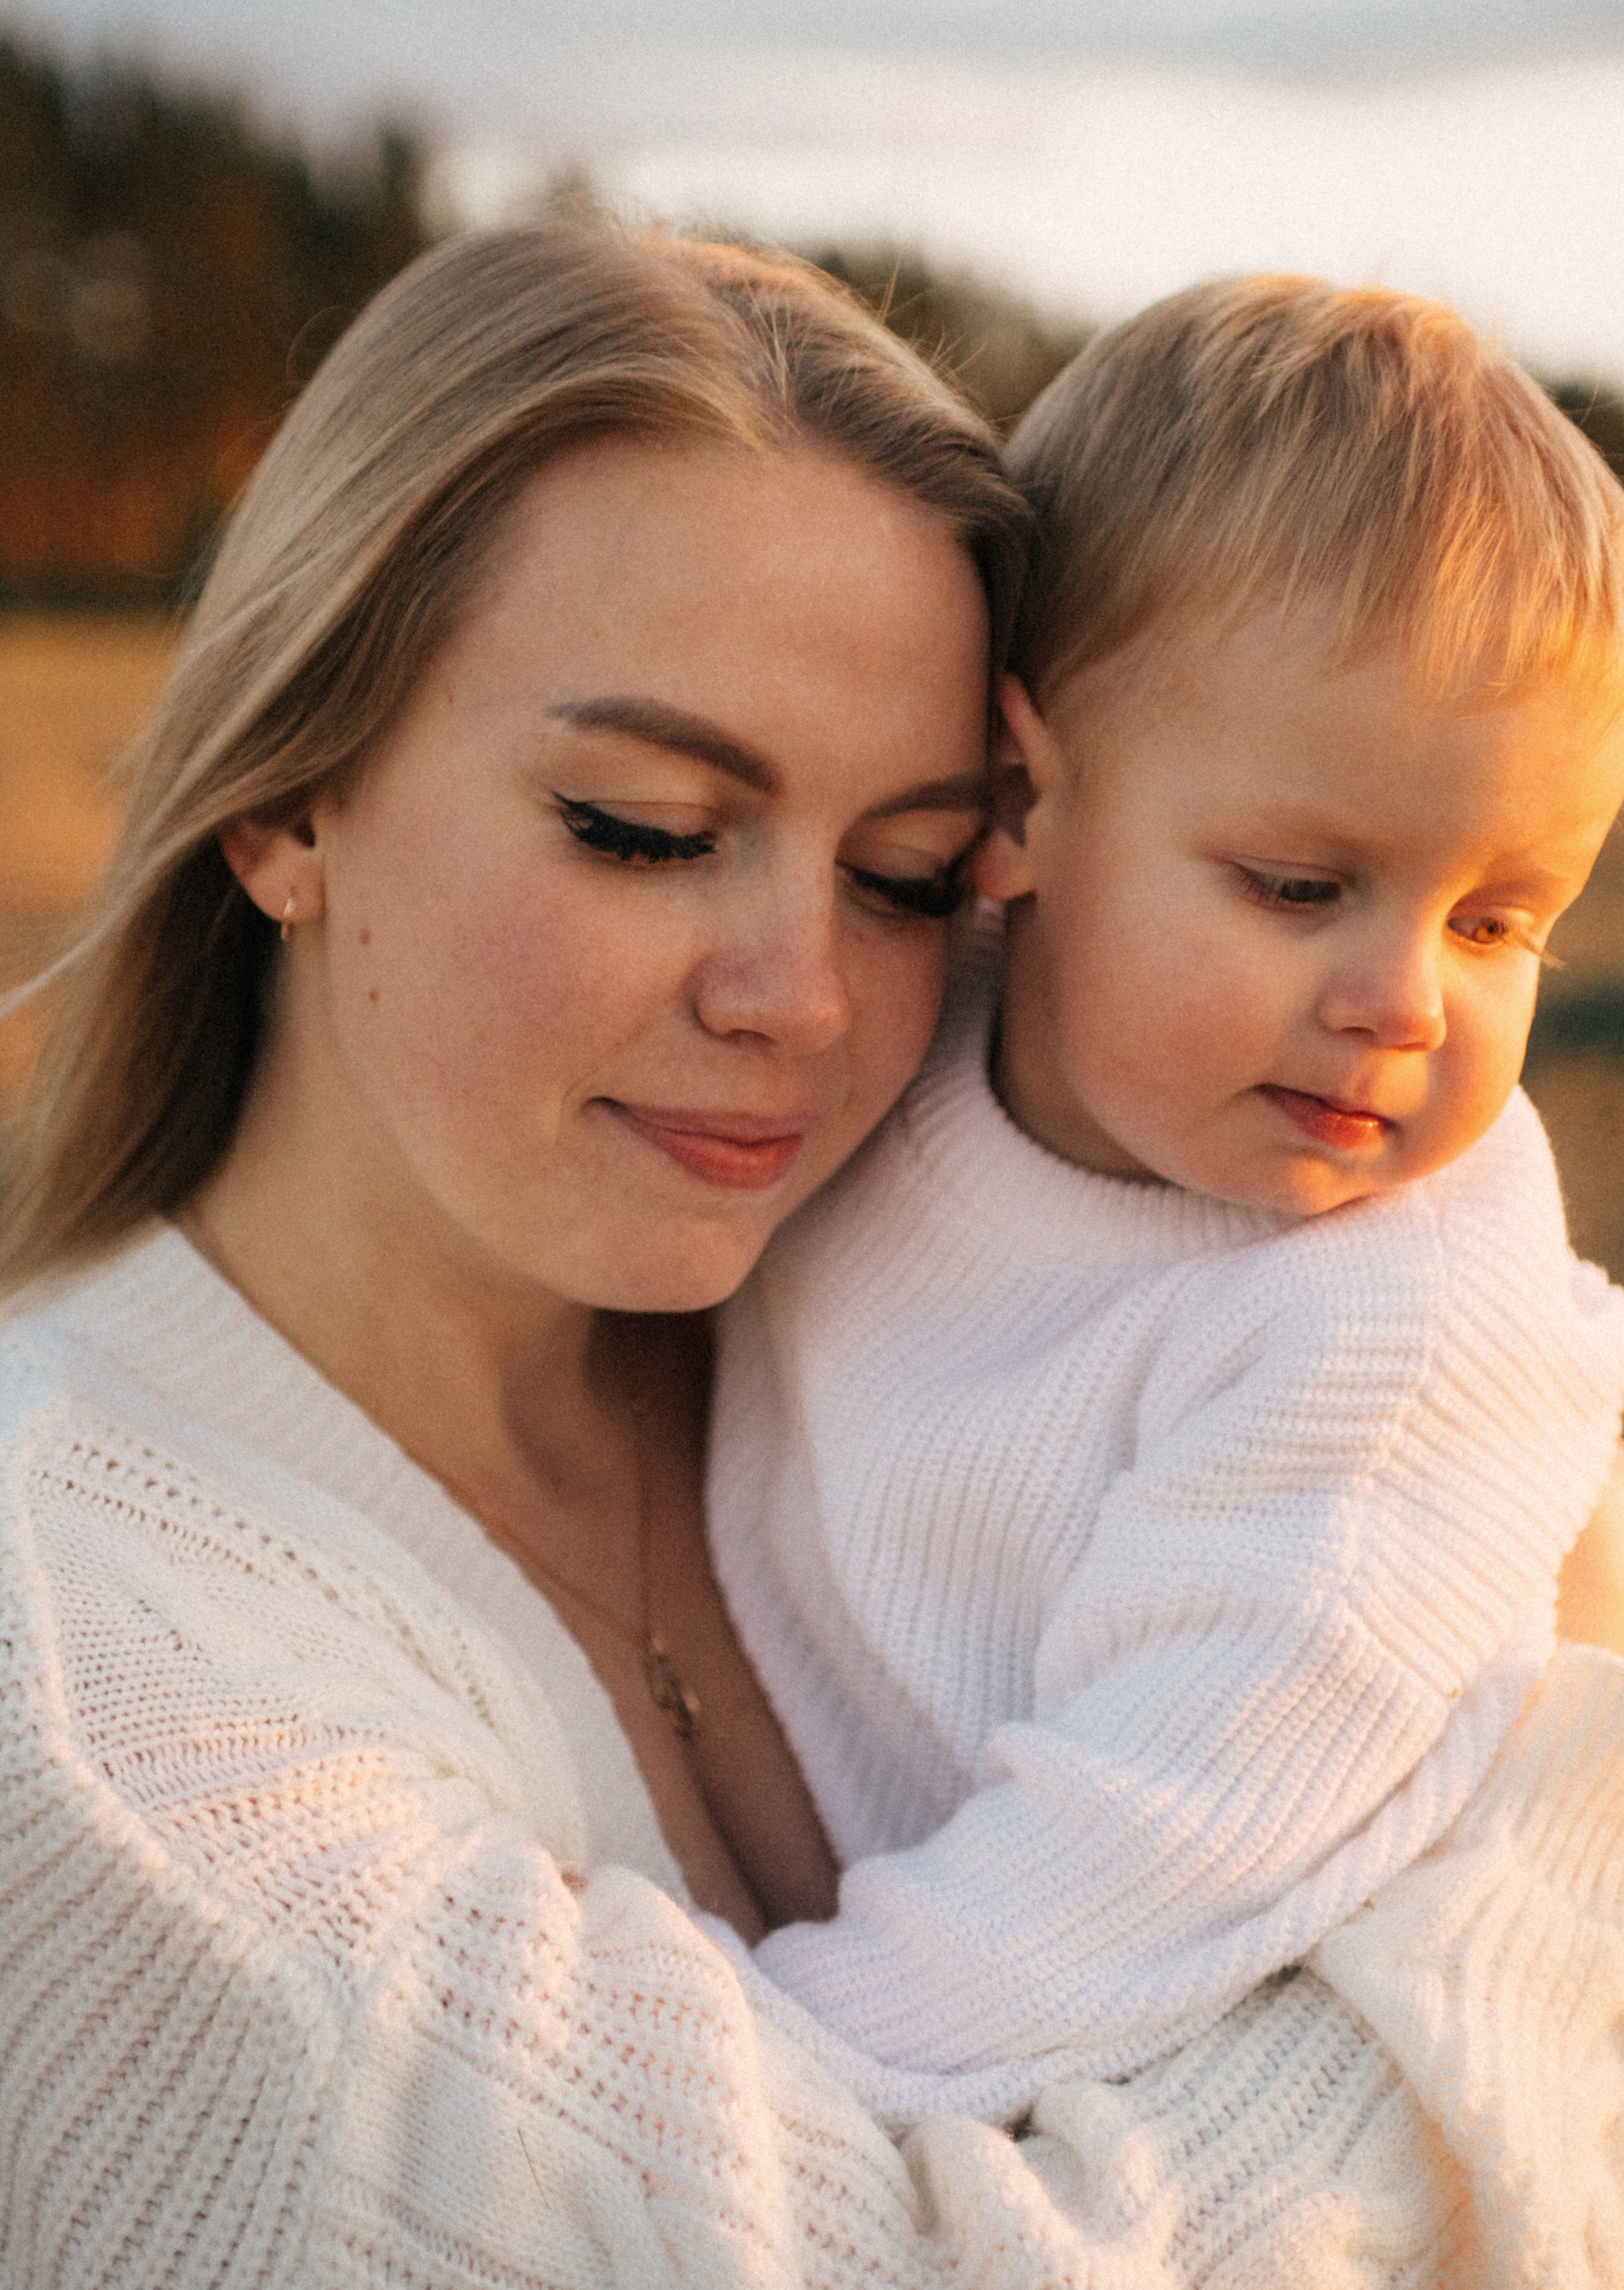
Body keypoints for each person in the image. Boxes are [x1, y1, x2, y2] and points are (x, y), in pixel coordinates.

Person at [0, 226, 1611, 2290]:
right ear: (289, 799)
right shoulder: (89, 1692)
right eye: (649, 829)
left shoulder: (909, 1265)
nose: (809, 1001)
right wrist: (1558, 1879)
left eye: (913, 875)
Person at [708, 279, 1624, 2208]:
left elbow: (1141, 1861)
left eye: (1499, 922)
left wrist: (729, 2078)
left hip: (1180, 2084)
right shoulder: (919, 1028)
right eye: (1301, 885)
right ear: (1019, 806)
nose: (1405, 1002)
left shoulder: (1391, 1336)